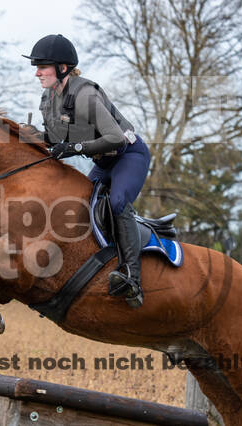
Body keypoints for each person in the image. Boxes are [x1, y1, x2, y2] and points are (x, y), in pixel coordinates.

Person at [23, 34, 151, 308]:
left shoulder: (86, 95)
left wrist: (74, 148)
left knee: (117, 202)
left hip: (129, 155)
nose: (37, 73)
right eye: (36, 67)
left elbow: (115, 137)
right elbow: (58, 141)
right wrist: (34, 136)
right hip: (104, 163)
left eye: (42, 66)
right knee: (79, 204)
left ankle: (132, 278)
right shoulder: (48, 99)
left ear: (63, 68)